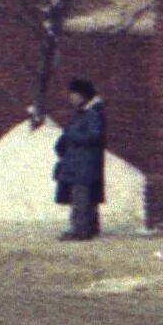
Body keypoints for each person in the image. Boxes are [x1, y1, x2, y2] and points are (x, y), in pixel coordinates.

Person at [53, 77, 105, 242]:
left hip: (83, 164)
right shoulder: (85, 114)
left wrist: (71, 135)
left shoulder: (90, 115)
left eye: (74, 94)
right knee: (82, 197)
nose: (71, 97)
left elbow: (94, 136)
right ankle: (87, 227)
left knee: (80, 198)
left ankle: (80, 230)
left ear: (83, 96)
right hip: (78, 163)